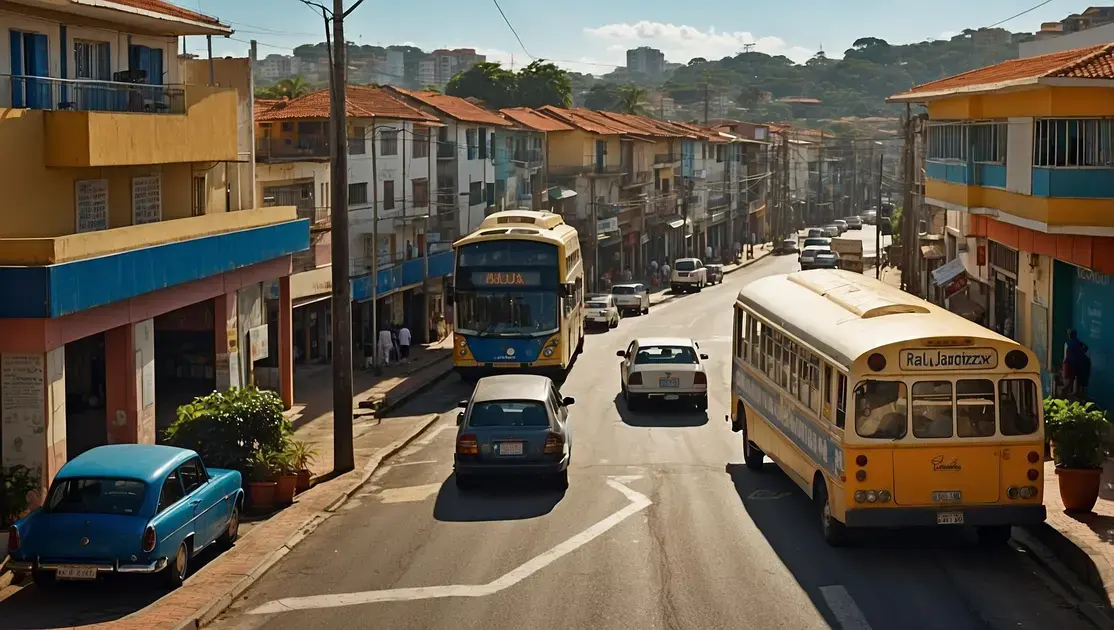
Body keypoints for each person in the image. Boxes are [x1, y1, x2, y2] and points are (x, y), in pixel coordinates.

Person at [1063, 328, 1091, 399]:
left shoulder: (1068, 344)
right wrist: (1081, 353)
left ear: (1069, 335)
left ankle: (1065, 393)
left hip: (1072, 364)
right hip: (1080, 364)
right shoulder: (1078, 342)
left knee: (1070, 381)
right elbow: (1086, 347)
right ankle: (1079, 396)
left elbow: (1066, 356)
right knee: (1079, 380)